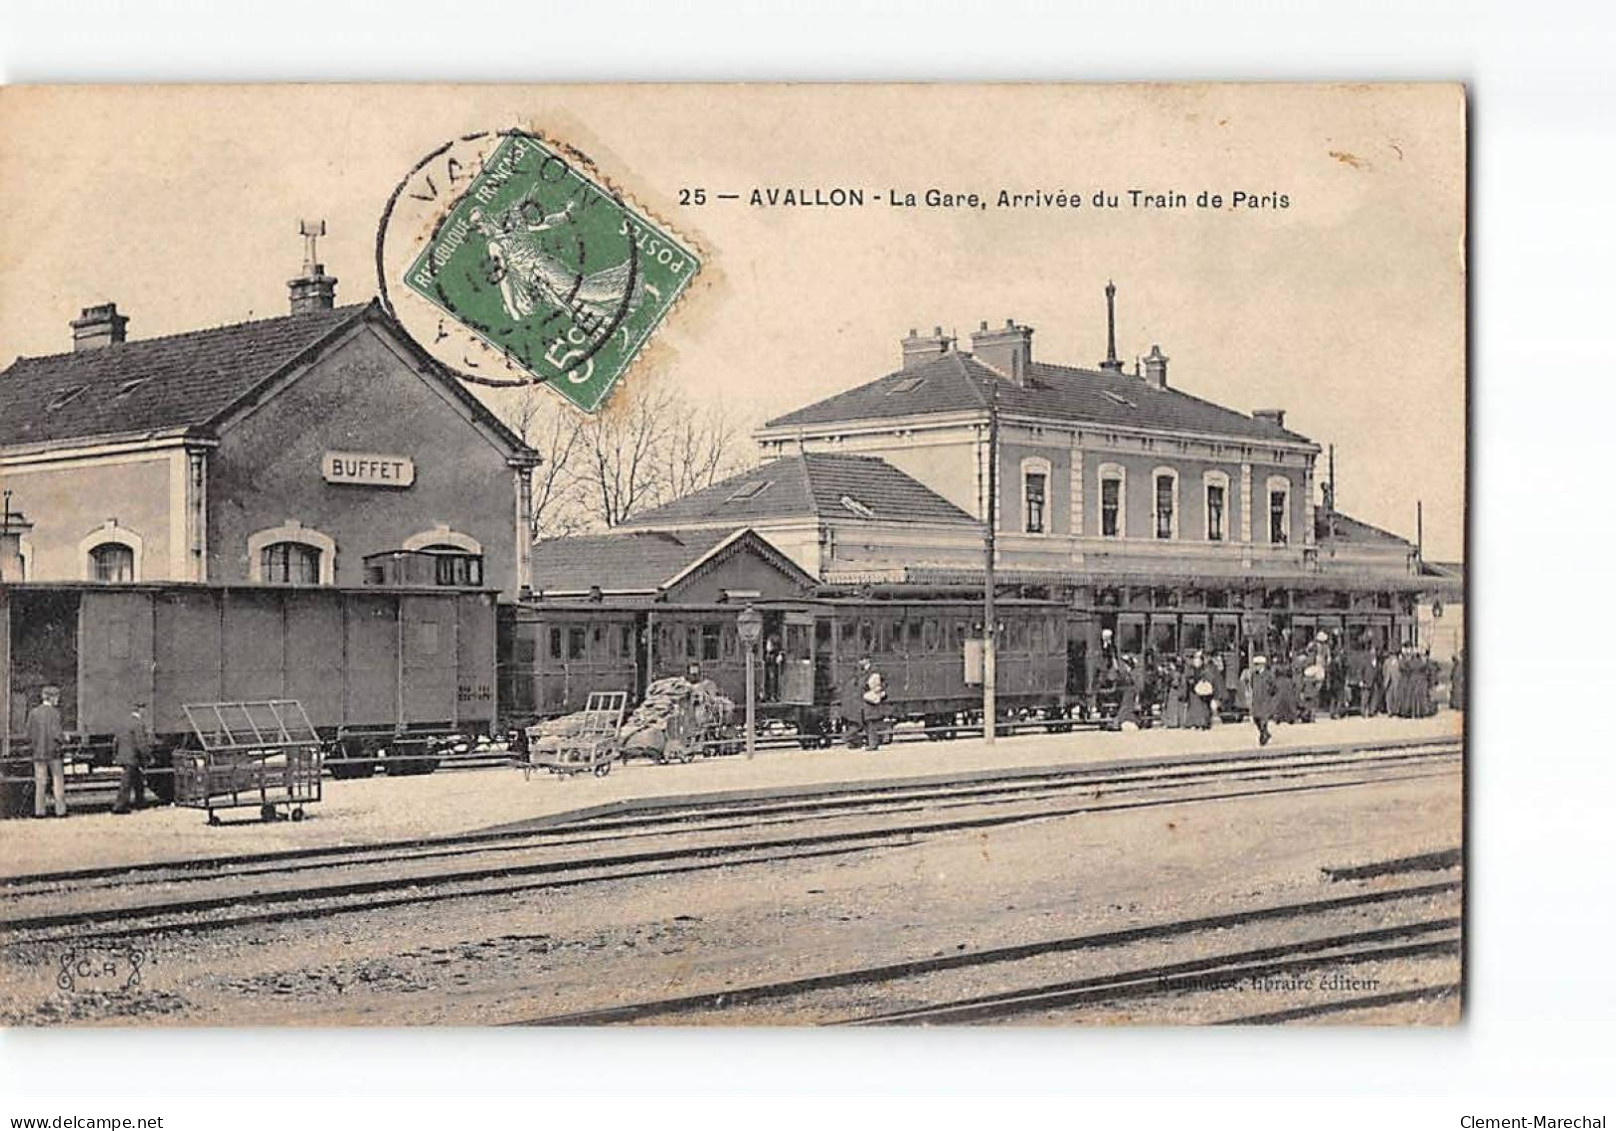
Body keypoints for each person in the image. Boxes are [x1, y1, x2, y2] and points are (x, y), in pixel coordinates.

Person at [26, 685, 67, 819]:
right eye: (57, 697)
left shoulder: (33, 713)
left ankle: (39, 812)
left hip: (38, 753)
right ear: (52, 697)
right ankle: (60, 811)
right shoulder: (55, 713)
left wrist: (35, 746)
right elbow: (57, 734)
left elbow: (29, 734)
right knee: (58, 781)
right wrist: (64, 738)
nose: (58, 700)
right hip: (54, 753)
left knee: (40, 782)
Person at [112, 700, 154, 814]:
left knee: (137, 779)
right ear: (141, 710)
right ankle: (119, 806)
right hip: (132, 757)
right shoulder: (138, 724)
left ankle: (140, 802)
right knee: (127, 782)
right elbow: (141, 743)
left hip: (124, 755)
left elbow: (115, 740)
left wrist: (115, 754)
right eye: (144, 709)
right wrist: (148, 756)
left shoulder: (125, 721)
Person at [1249, 656, 1278, 747]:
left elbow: (1274, 687)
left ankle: (1263, 736)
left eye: (1257, 665)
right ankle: (1266, 733)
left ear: (1262, 665)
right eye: (1255, 665)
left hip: (1265, 700)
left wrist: (1269, 693)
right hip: (1257, 699)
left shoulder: (1269, 674)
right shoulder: (1254, 675)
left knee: (1263, 719)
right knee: (1256, 718)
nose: (1256, 666)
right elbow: (1252, 685)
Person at [860, 662, 889, 752]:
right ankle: (873, 742)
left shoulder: (873, 672)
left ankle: (873, 744)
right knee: (870, 722)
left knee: (871, 722)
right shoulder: (870, 671)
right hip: (870, 698)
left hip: (870, 699)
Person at [1184, 650, 1215, 730]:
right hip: (1194, 691)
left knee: (1203, 707)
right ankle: (1195, 723)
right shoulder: (1192, 668)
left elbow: (1209, 677)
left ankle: (1203, 723)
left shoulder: (1205, 668)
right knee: (1195, 708)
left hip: (1202, 690)